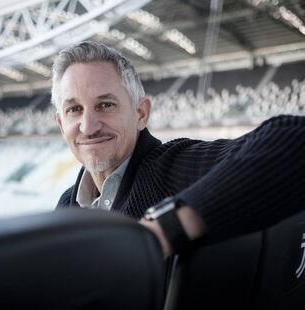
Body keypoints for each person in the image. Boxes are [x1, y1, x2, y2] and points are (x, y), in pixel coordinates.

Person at [52, 41, 305, 258]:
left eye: (105, 105)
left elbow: (296, 138)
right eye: (74, 109)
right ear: (61, 124)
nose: (88, 126)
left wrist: (164, 231)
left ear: (141, 114)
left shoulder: (172, 167)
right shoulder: (66, 206)